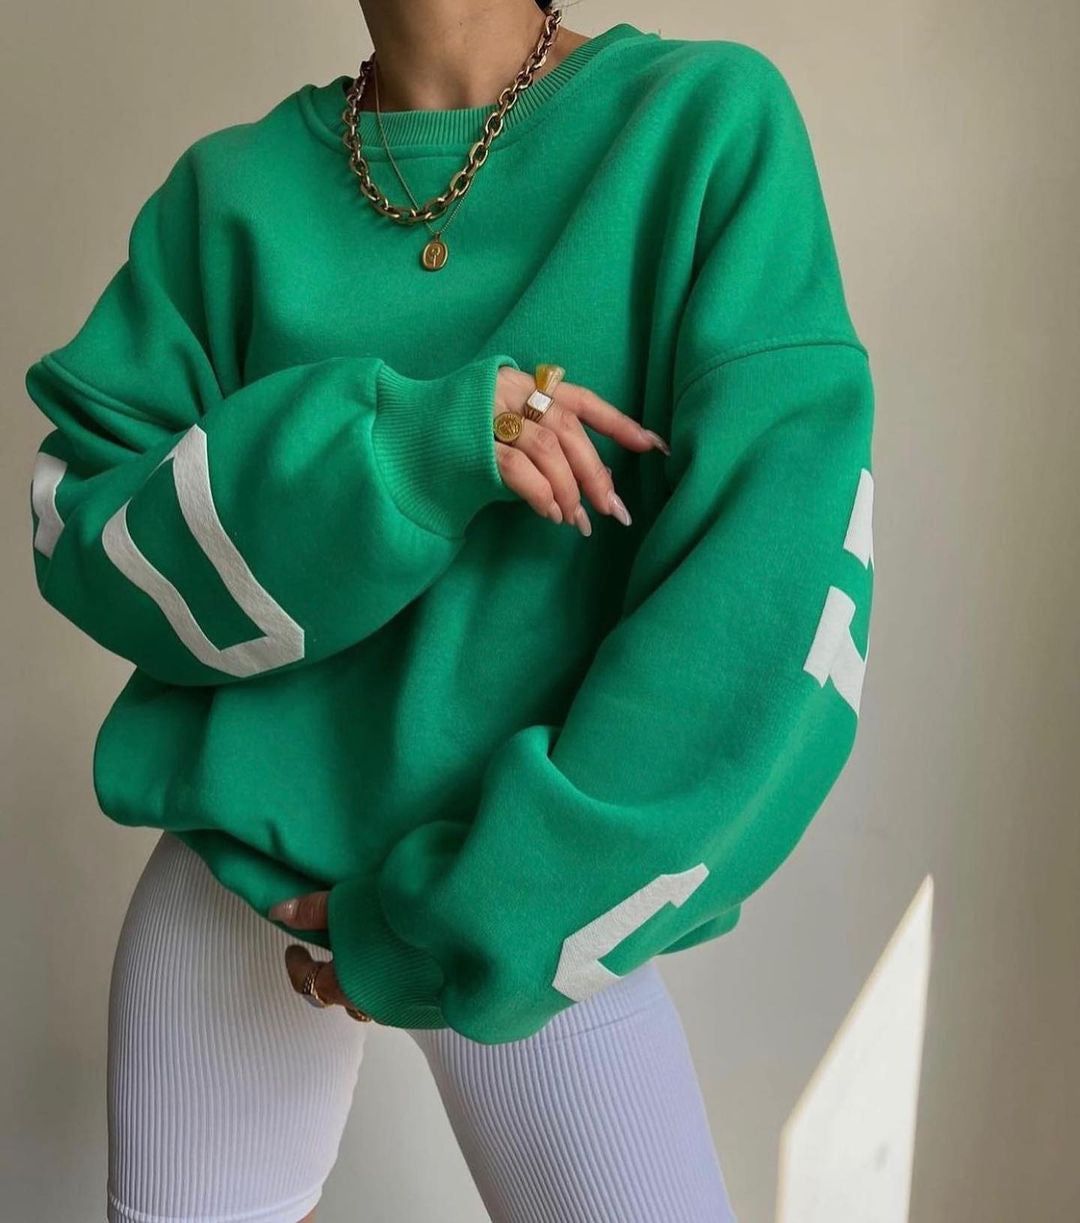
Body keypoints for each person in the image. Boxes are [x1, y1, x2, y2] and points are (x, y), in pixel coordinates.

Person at [23, 0, 875, 1219]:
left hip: (535, 912)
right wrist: (401, 450)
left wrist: (476, 913)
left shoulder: (699, 127)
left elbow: (760, 609)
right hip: (241, 898)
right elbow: (91, 534)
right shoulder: (228, 197)